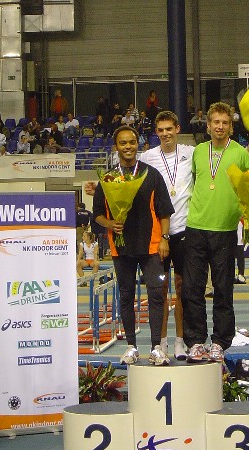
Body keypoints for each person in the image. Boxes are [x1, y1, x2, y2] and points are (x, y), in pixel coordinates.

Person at [93, 125, 174, 366]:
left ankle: (156, 347)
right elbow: (97, 214)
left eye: (132, 142)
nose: (128, 147)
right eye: (123, 143)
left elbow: (164, 212)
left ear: (137, 145)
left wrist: (164, 238)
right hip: (121, 247)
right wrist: (110, 223)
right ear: (116, 146)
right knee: (126, 296)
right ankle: (131, 346)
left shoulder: (151, 174)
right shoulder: (107, 178)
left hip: (151, 245)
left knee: (156, 295)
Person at [181, 101, 249, 363]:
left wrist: (246, 210)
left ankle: (220, 342)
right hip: (197, 226)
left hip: (224, 228)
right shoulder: (198, 152)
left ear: (230, 127)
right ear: (208, 125)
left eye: (225, 123)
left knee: (223, 289)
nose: (220, 127)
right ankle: (196, 340)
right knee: (192, 288)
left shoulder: (241, 153)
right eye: (216, 122)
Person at [141, 110, 194, 360]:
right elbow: (126, 181)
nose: (165, 134)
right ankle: (160, 342)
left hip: (184, 231)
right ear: (156, 132)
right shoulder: (147, 157)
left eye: (169, 129)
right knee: (159, 290)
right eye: (160, 130)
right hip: (158, 234)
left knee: (183, 289)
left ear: (177, 128)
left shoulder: (191, 153)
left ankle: (180, 341)